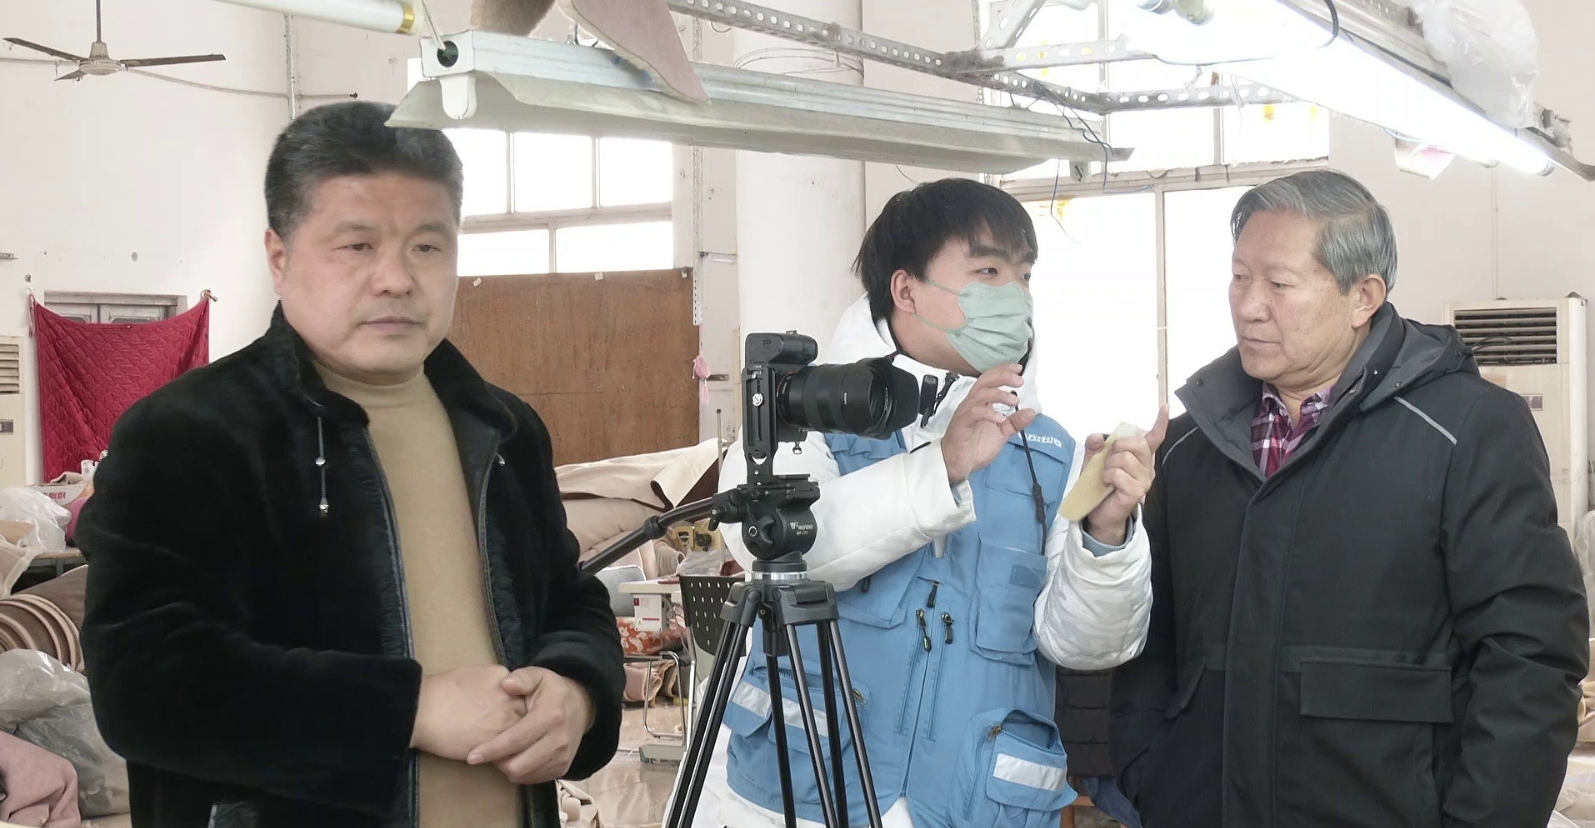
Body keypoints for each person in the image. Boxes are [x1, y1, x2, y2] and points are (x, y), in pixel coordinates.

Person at [76, 101, 625, 828]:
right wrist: (408, 709)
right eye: (357, 246)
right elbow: (144, 684)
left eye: (427, 247)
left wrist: (578, 690)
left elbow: (569, 598)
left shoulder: (503, 430)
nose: (396, 279)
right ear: (279, 258)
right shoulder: (188, 433)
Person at [1110, 169, 1590, 828]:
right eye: (1239, 277)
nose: (1248, 306)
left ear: (1362, 296)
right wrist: (1152, 774)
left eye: (1278, 284)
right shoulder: (1187, 447)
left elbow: (1528, 658)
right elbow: (1145, 640)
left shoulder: (1466, 431)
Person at [685, 177, 1163, 828]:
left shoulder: (1050, 453)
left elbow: (1085, 646)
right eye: (988, 272)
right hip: (798, 796)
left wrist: (1106, 535)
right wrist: (942, 468)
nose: (1015, 298)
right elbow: (787, 553)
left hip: (978, 804)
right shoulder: (799, 417)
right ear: (905, 290)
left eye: (1024, 276)